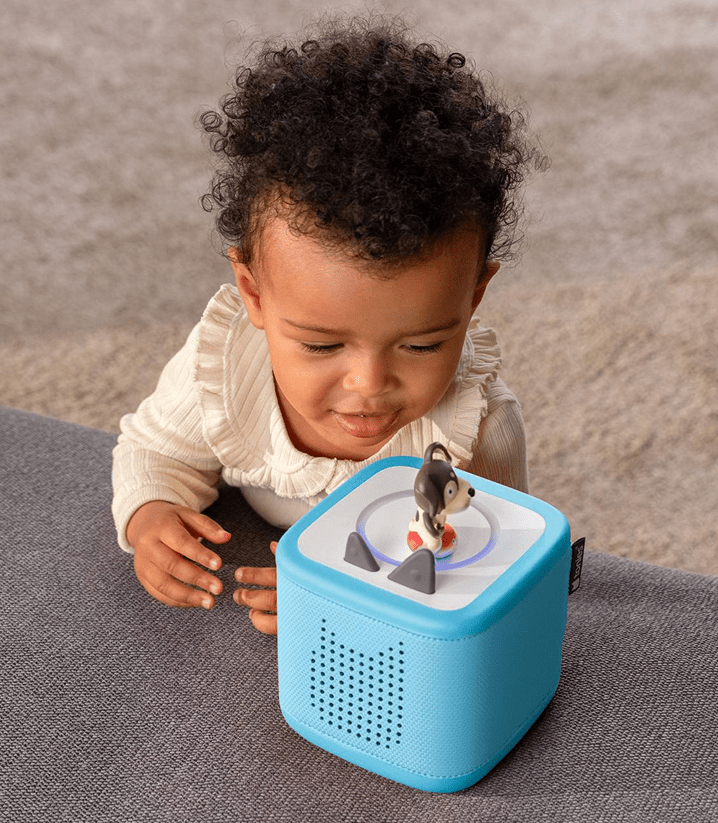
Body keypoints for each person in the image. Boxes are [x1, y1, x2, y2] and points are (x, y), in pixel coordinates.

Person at [111, 13, 545, 635]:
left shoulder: (479, 432)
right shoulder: (227, 371)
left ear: (474, 295)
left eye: (423, 343)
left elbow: (497, 569)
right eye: (320, 344)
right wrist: (150, 515)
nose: (369, 385)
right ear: (254, 295)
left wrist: (353, 602)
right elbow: (153, 449)